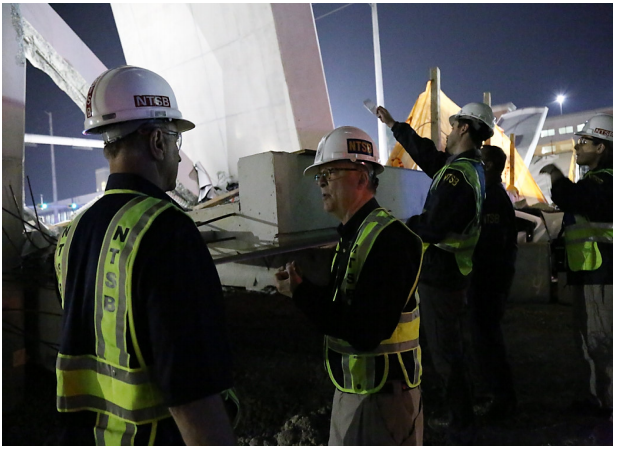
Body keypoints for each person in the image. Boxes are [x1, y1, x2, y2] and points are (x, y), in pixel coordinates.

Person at [53, 65, 237, 445]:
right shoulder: (166, 232)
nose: (176, 154)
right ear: (156, 141)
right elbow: (192, 394)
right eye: (175, 140)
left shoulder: (73, 233)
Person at [274, 126, 425, 446]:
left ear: (360, 176)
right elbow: (345, 311)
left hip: (383, 401)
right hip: (358, 392)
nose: (321, 182)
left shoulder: (390, 240)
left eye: (330, 172)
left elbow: (365, 330)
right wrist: (302, 289)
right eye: (319, 175)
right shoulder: (353, 236)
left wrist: (301, 294)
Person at [376, 103, 493, 443]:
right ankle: (460, 409)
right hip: (448, 272)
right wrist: (396, 126)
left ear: (465, 129)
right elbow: (427, 155)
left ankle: (462, 422)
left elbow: (434, 226)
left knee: (445, 350)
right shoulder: (461, 168)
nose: (448, 130)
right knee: (446, 345)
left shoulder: (459, 176)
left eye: (453, 124)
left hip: (443, 274)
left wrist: (395, 226)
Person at [539, 113, 613, 420]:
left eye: (583, 141)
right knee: (586, 340)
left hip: (602, 274)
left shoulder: (606, 180)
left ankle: (608, 406)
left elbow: (573, 198)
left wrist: (556, 176)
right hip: (588, 271)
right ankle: (591, 399)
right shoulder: (597, 179)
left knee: (600, 341)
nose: (577, 147)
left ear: (601, 147)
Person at [467, 145, 518, 419]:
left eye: (480, 162)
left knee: (488, 338)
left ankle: (502, 397)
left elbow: (491, 244)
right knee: (482, 337)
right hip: (488, 278)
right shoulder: (490, 195)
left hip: (489, 280)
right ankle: (492, 391)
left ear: (490, 167)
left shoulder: (493, 199)